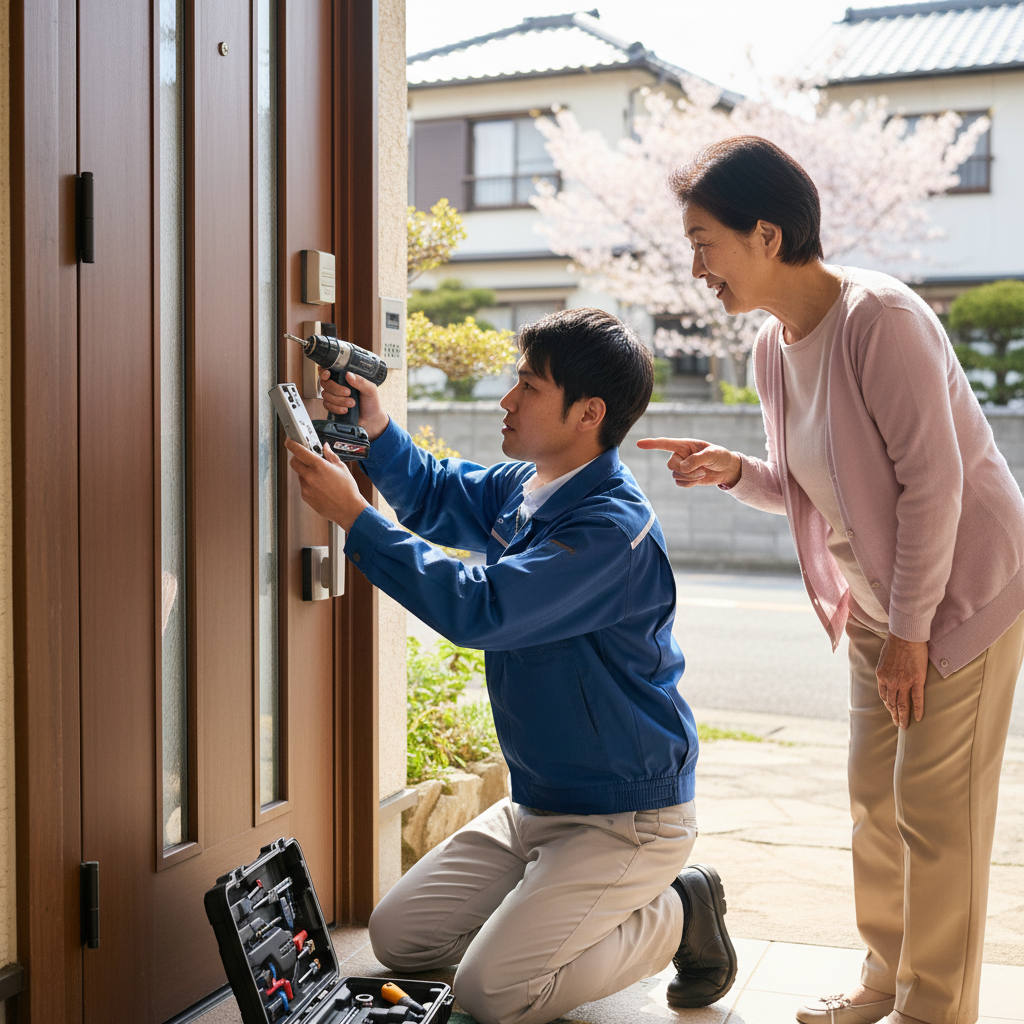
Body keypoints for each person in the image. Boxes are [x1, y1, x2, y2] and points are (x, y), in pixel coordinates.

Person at [638, 136, 1024, 1024]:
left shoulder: (881, 320)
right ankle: (885, 980)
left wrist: (913, 634)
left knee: (937, 815)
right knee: (875, 806)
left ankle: (934, 1008)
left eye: (704, 243)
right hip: (881, 606)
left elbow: (934, 487)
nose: (697, 269)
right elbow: (819, 489)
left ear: (767, 235)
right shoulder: (773, 346)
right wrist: (736, 470)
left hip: (961, 597)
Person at [285, 307, 737, 1024]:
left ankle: (681, 910)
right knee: (399, 938)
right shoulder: (529, 486)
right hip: (537, 803)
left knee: (492, 993)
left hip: (626, 816)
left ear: (588, 413)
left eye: (528, 387)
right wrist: (375, 428)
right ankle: (548, 908)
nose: (507, 400)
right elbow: (435, 492)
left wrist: (357, 519)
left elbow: (483, 609)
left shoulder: (609, 531)